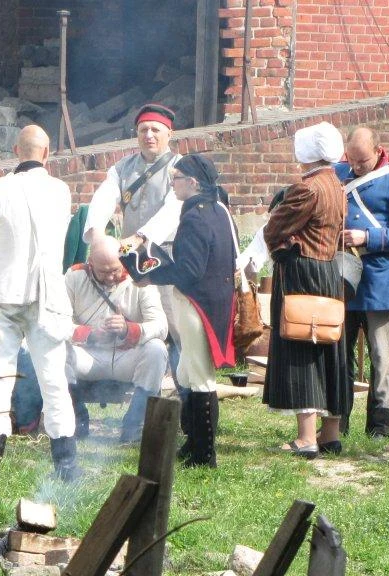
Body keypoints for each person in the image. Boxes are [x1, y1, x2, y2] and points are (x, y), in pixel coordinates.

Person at [0, 124, 78, 481]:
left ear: (16, 151)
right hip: (46, 293)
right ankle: (66, 461)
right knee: (53, 379)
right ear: (47, 153)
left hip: (6, 291)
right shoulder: (61, 191)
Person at [142, 154, 237, 468]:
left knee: (199, 376)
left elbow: (189, 271)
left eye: (177, 178)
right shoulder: (218, 210)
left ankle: (204, 454)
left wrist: (150, 275)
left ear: (193, 183)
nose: (173, 184)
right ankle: (193, 442)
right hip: (213, 300)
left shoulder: (195, 217)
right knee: (186, 371)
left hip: (198, 303)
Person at [262, 122, 349, 459]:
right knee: (329, 347)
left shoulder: (307, 188)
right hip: (328, 270)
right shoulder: (337, 185)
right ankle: (331, 434)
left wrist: (283, 237)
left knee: (301, 344)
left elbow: (274, 229)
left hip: (302, 272)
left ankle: (306, 438)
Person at [83, 104, 184, 382]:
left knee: (173, 323)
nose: (149, 135)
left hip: (167, 257)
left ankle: (183, 387)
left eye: (155, 130)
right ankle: (144, 383)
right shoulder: (122, 168)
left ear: (169, 133)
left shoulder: (179, 168)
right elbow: (104, 198)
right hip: (131, 259)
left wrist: (141, 236)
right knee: (139, 319)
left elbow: (173, 209)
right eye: (143, 130)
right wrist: (97, 235)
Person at [335, 127, 389, 438]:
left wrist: (368, 237)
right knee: (338, 353)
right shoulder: (337, 174)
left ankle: (381, 424)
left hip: (379, 281)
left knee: (381, 355)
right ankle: (337, 420)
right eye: (352, 160)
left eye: (363, 161)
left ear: (378, 150)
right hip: (343, 278)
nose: (356, 167)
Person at [64, 235, 168, 443]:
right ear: (91, 263)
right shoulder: (74, 277)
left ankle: (134, 424)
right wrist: (90, 334)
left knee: (157, 350)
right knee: (56, 351)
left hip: (127, 355)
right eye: (103, 272)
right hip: (88, 354)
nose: (111, 277)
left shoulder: (139, 279)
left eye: (115, 270)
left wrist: (128, 330)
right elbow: (57, 323)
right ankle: (77, 419)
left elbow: (160, 326)